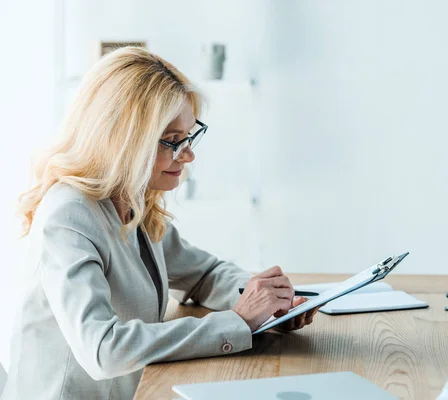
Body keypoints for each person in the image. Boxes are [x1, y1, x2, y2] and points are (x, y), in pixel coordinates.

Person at [1, 47, 319, 400]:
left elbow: (204, 273)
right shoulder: (69, 215)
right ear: (119, 138)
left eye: (188, 136)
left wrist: (265, 305)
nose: (188, 154)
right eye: (171, 141)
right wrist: (237, 322)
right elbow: (103, 349)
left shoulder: (131, 201)